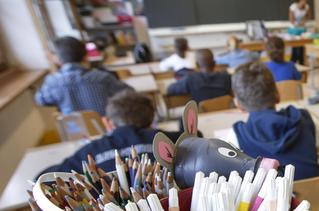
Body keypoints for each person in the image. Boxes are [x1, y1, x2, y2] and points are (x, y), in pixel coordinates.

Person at [41, 90, 182, 174]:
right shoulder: (164, 138)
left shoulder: (91, 150)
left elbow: (46, 177)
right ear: (151, 119)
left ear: (107, 123)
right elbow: (193, 138)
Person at [226, 61, 319, 180]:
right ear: (277, 95)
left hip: (272, 198)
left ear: (238, 105)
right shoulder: (304, 118)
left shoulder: (235, 137)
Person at [35, 36, 131, 115]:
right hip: (106, 128)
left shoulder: (53, 82)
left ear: (57, 59)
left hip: (74, 132)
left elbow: (41, 100)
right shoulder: (102, 77)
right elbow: (129, 93)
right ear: (86, 56)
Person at [166, 49, 232, 103]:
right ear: (214, 63)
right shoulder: (226, 77)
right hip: (223, 114)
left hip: (200, 116)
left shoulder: (191, 79)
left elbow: (170, 89)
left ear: (197, 65)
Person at [288, 0, 312, 65]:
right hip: (294, 29)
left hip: (302, 29)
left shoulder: (307, 6)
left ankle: (302, 63)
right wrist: (298, 24)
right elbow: (291, 20)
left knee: (302, 46)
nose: (305, 2)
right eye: (303, 1)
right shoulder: (293, 7)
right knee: (295, 47)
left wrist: (304, 21)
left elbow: (309, 17)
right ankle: (293, 62)